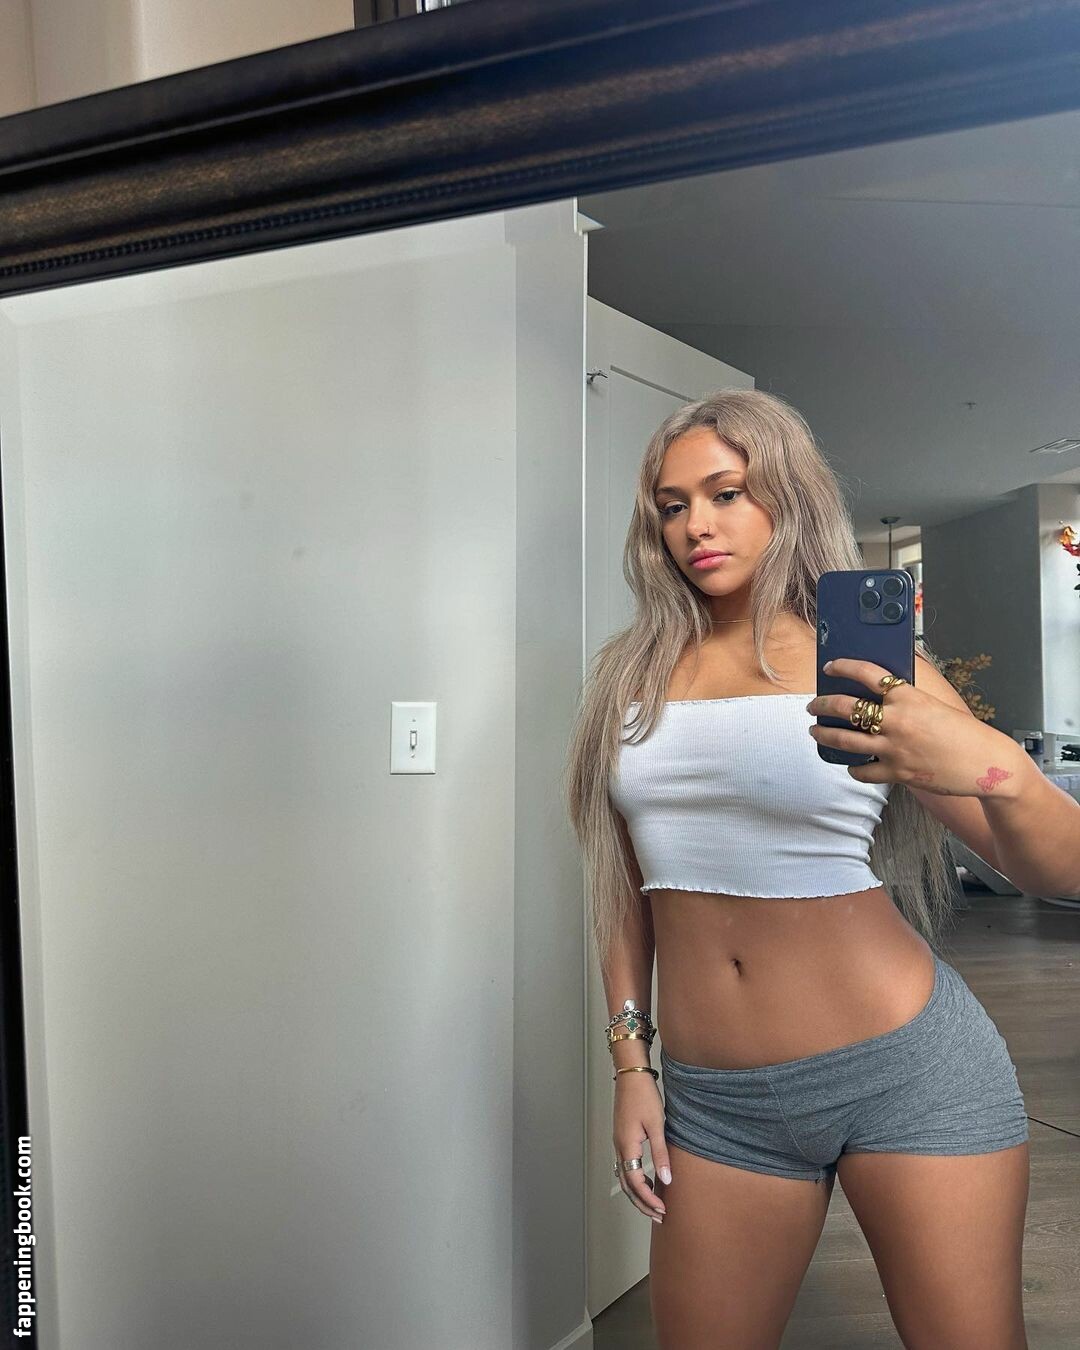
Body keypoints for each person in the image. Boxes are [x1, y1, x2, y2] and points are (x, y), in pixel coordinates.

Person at [562, 388, 1080, 1350]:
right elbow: (624, 896)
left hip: (907, 1068)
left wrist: (1001, 769)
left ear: (787, 498)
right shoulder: (630, 675)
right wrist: (632, 1067)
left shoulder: (864, 667)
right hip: (719, 1102)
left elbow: (1059, 871)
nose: (696, 525)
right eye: (673, 505)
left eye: (726, 493)